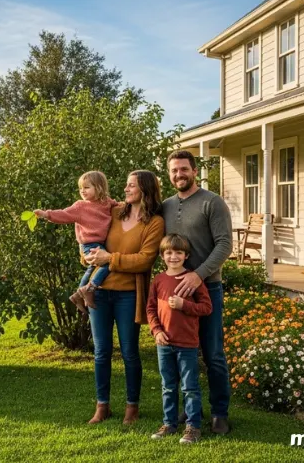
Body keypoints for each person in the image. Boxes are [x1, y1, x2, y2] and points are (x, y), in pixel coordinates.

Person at [81, 170, 164, 425]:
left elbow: (144, 260)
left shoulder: (155, 223)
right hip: (100, 292)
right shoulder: (115, 211)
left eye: (131, 186)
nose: (126, 189)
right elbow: (89, 231)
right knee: (101, 352)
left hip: (128, 295)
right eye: (126, 185)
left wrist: (110, 259)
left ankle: (132, 407)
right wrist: (88, 256)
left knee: (129, 352)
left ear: (145, 191)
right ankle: (102, 406)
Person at [161, 149, 234, 434]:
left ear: (194, 171)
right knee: (182, 352)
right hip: (176, 292)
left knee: (213, 353)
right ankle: (190, 409)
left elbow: (224, 244)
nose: (179, 174)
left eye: (183, 169)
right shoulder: (166, 205)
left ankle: (219, 413)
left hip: (208, 288)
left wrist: (198, 275)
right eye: (174, 170)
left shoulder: (212, 203)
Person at [147, 234, 213, 444]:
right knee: (168, 386)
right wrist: (156, 330)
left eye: (178, 253)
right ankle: (169, 423)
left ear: (186, 256)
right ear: (162, 256)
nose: (173, 256)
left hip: (187, 344)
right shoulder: (158, 280)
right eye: (169, 252)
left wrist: (185, 305)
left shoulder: (192, 279)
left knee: (189, 387)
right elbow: (150, 309)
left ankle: (193, 427)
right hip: (164, 344)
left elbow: (206, 307)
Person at [34, 171, 118, 314]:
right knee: (108, 263)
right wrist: (46, 214)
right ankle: (89, 289)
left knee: (93, 268)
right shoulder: (80, 206)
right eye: (81, 188)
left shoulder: (107, 202)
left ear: (99, 187)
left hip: (100, 243)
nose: (82, 191)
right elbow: (64, 214)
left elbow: (119, 205)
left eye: (86, 187)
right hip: (88, 243)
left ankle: (78, 295)